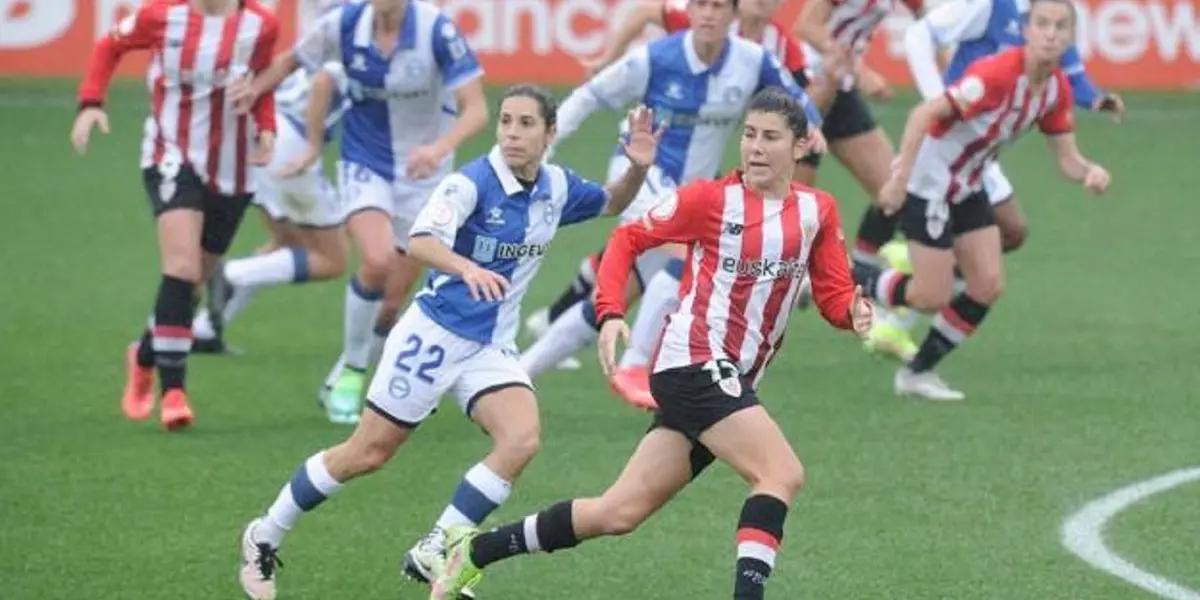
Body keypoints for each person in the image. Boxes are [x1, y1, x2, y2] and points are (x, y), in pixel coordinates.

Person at [432, 88, 873, 600]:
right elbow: (627, 241)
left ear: (800, 147)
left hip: (731, 378)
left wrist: (853, 313)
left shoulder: (818, 210)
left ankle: (473, 552)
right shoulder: (709, 200)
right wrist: (612, 312)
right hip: (693, 363)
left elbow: (833, 293)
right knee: (780, 472)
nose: (754, 146)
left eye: (770, 137)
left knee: (618, 512)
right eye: (748, 134)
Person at [236, 86, 662, 600]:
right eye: (505, 121)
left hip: (489, 347)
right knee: (367, 453)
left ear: (550, 134)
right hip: (433, 335)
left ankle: (436, 546)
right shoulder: (470, 184)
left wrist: (638, 166)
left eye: (526, 124)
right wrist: (465, 266)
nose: (511, 133)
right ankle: (264, 533)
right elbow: (419, 241)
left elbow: (613, 201)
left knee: (521, 440)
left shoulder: (555, 186)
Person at [516, 0, 825, 410]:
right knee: (687, 258)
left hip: (693, 195)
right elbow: (588, 96)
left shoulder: (753, 61)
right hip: (643, 180)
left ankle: (516, 376)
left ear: (733, 15)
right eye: (701, 5)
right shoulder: (656, 58)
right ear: (689, 12)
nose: (709, 15)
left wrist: (813, 126)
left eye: (719, 6)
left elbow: (798, 101)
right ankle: (636, 364)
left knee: (615, 297)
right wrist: (543, 151)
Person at [234, 0, 489, 424]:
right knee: (376, 260)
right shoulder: (344, 24)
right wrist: (256, 89)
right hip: (365, 162)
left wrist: (439, 149)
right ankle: (354, 372)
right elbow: (291, 61)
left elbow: (477, 108)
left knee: (391, 304)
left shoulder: (437, 32)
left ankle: (339, 376)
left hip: (425, 175)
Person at [853, 0, 1111, 401]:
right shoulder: (996, 74)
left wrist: (1089, 171)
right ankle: (834, 277)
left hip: (968, 184)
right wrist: (899, 182)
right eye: (1042, 23)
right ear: (1026, 30)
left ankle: (916, 373)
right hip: (930, 181)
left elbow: (1067, 158)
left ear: (1071, 37)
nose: (1051, 33)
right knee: (929, 296)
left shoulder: (1056, 89)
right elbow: (924, 115)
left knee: (987, 284)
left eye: (1061, 26)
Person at [71, 0, 279, 430]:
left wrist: (267, 127)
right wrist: (91, 102)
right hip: (171, 153)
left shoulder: (261, 24)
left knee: (193, 282)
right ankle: (175, 393)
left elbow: (262, 82)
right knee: (181, 267)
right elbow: (109, 45)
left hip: (233, 169)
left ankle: (145, 355)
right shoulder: (162, 15)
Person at [196, 63, 352, 349]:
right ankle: (232, 275)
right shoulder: (363, 41)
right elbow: (324, 79)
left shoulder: (327, 37)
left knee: (285, 244)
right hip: (290, 142)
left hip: (262, 133)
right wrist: (314, 145)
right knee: (333, 260)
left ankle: (205, 329)